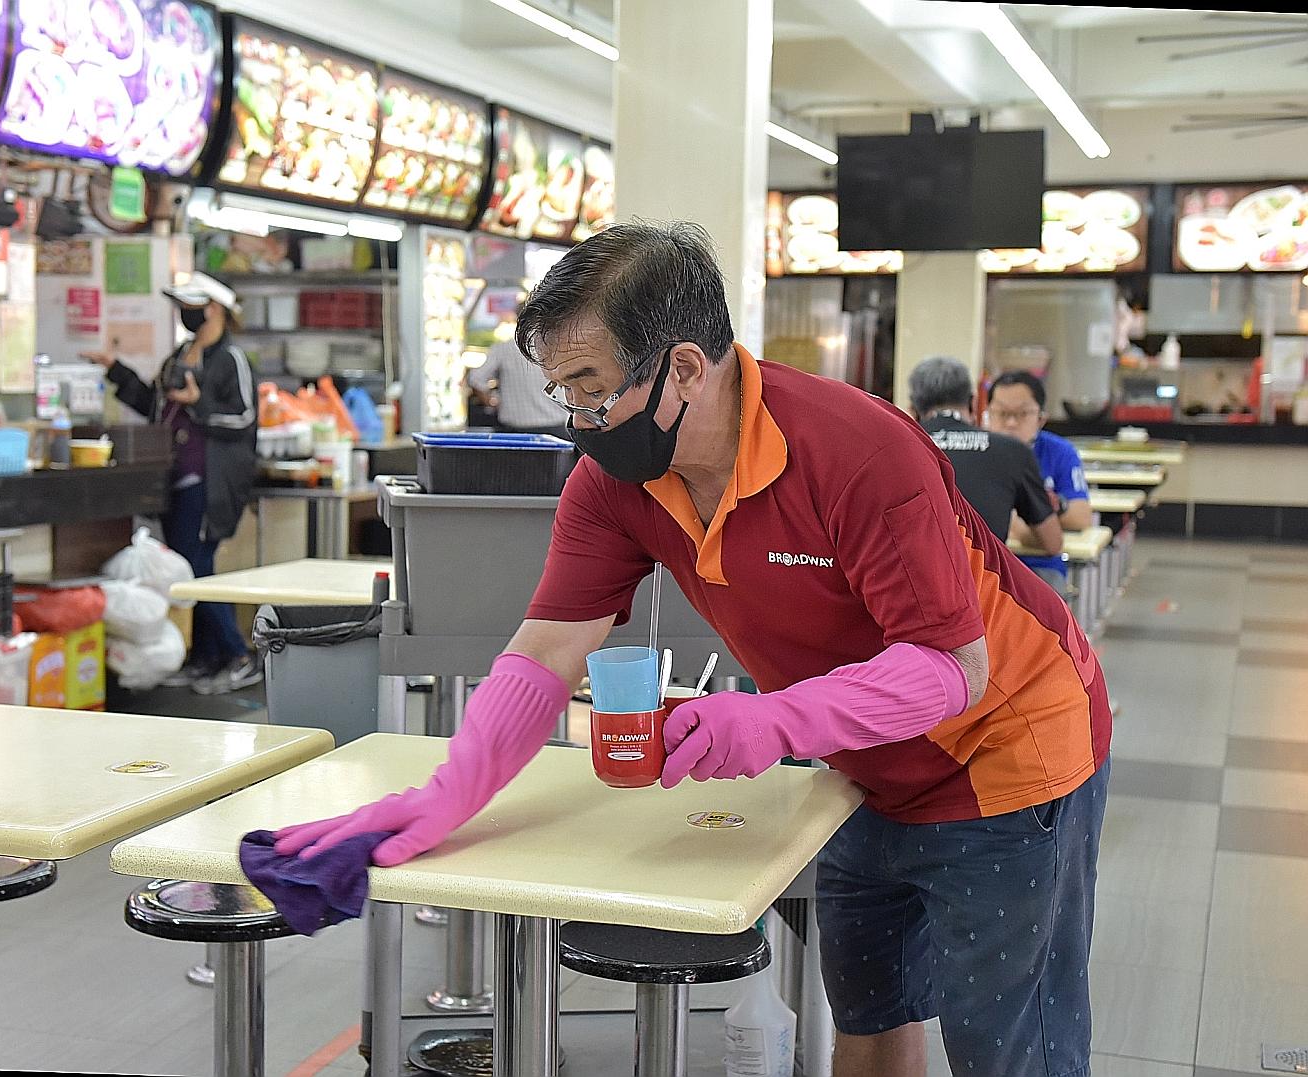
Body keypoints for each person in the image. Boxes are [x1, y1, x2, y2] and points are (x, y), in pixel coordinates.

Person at [273, 222, 1111, 1077]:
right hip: (861, 769)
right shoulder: (615, 483)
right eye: (562, 392)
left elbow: (950, 667)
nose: (580, 421)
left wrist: (770, 721)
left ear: (681, 367)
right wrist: (449, 792)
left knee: (1009, 1052)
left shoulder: (859, 452)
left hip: (1010, 751)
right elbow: (549, 648)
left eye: (592, 390)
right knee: (870, 1012)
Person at [85, 272, 262, 696]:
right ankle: (205, 657)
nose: (187, 314)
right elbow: (156, 406)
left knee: (195, 572)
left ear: (213, 309)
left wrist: (199, 403)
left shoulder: (230, 360)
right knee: (183, 571)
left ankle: (239, 656)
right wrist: (119, 373)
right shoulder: (181, 354)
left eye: (193, 306)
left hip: (210, 481)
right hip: (174, 480)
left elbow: (243, 418)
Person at [907, 356, 1063, 554]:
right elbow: (1052, 543)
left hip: (910, 581)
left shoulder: (896, 451)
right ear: (973, 403)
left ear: (913, 410)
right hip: (983, 582)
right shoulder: (1012, 451)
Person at [984, 371, 1093, 597]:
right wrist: (1037, 519)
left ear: (1040, 418)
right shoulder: (977, 450)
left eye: (1022, 414)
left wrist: (1020, 525)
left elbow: (1081, 516)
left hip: (1040, 565)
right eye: (1002, 413)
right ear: (987, 415)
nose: (1011, 423)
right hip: (985, 565)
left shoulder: (1060, 452)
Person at [465, 330, 570, 439]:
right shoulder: (559, 347)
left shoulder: (503, 348)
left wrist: (491, 402)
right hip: (555, 429)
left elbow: (475, 379)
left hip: (513, 431)